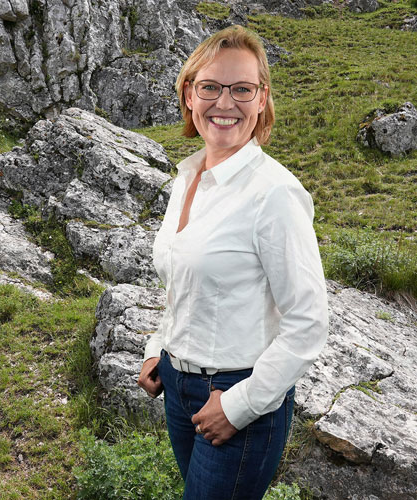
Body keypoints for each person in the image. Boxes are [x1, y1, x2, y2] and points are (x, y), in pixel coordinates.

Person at [138, 25, 328, 500]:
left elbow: (308, 322)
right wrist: (159, 345)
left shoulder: (275, 194)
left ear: (261, 99)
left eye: (242, 89)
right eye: (210, 87)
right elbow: (184, 278)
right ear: (188, 94)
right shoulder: (188, 176)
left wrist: (240, 405)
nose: (225, 103)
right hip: (178, 387)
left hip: (237, 393)